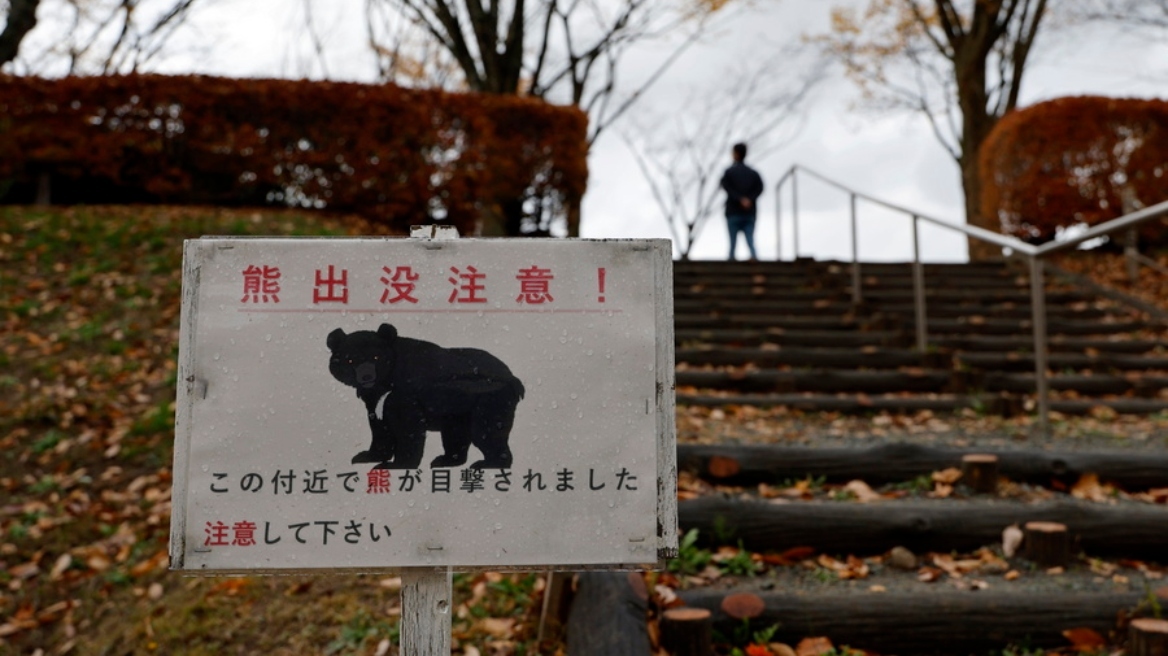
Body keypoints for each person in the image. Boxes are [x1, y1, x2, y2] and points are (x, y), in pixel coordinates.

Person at [720, 142, 764, 261]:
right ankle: (754, 259)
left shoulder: (729, 172)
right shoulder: (753, 174)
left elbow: (726, 186)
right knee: (750, 239)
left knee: (732, 243)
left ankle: (731, 263)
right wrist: (749, 199)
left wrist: (739, 198)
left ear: (736, 153)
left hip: (733, 212)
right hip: (749, 212)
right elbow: (760, 188)